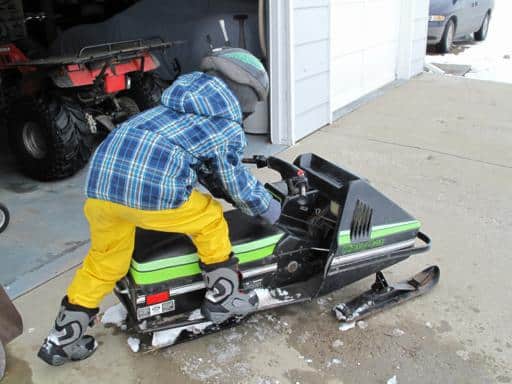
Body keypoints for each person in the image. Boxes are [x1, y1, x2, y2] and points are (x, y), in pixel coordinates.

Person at [37, 48, 281, 366]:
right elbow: (233, 182)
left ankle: (62, 339)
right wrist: (267, 208)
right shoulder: (224, 126)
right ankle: (224, 297)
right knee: (208, 217)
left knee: (104, 261)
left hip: (100, 189)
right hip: (149, 193)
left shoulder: (167, 106)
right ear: (246, 96)